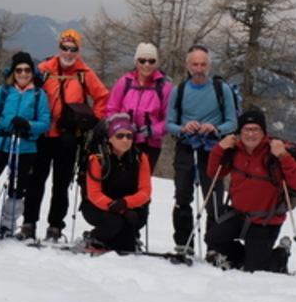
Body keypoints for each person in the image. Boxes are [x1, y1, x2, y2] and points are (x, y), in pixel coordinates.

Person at [26, 30, 110, 243]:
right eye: (65, 48)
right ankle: (29, 224)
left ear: (78, 51)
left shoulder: (84, 73)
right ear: (59, 48)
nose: (68, 52)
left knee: (61, 184)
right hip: (42, 135)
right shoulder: (44, 70)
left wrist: (91, 121)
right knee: (35, 181)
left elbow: (103, 97)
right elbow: (26, 90)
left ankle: (55, 227)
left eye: (73, 49)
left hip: (69, 137)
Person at [204, 110, 296, 272]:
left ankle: (280, 254)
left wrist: (283, 155)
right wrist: (219, 149)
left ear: (263, 132)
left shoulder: (274, 153)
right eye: (246, 129)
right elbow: (214, 172)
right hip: (238, 215)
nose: (250, 134)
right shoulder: (235, 150)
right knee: (213, 239)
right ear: (240, 132)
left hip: (265, 221)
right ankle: (246, 257)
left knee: (256, 270)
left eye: (255, 130)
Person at [165, 44, 238, 255]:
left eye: (203, 65)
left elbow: (232, 122)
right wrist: (183, 128)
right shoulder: (179, 91)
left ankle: (214, 246)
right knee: (182, 196)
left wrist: (215, 128)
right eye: (195, 64)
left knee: (213, 199)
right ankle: (183, 243)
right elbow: (169, 124)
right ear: (187, 66)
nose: (199, 69)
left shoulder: (221, 90)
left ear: (209, 66)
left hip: (213, 149)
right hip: (186, 147)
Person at [0, 51, 51, 239]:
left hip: (25, 147)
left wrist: (28, 125)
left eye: (27, 70)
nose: (23, 74)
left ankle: (8, 225)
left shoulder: (39, 94)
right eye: (19, 70)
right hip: (0, 144)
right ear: (13, 72)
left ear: (32, 72)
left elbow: (45, 123)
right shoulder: (3, 91)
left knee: (17, 189)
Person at [78, 114, 152, 253]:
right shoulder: (97, 158)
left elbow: (145, 191)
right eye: (120, 136)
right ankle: (94, 238)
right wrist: (121, 209)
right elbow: (94, 194)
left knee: (129, 236)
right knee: (114, 221)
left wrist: (126, 203)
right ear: (110, 138)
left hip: (128, 206)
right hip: (100, 207)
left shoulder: (140, 157)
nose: (125, 140)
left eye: (129, 136)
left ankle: (127, 239)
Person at [105, 43, 172, 173]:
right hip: (123, 140)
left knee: (142, 180)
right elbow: (111, 110)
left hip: (150, 144)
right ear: (136, 61)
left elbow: (169, 118)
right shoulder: (124, 82)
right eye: (142, 60)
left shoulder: (164, 87)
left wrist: (154, 130)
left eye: (151, 61)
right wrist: (123, 126)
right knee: (120, 178)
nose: (146, 64)